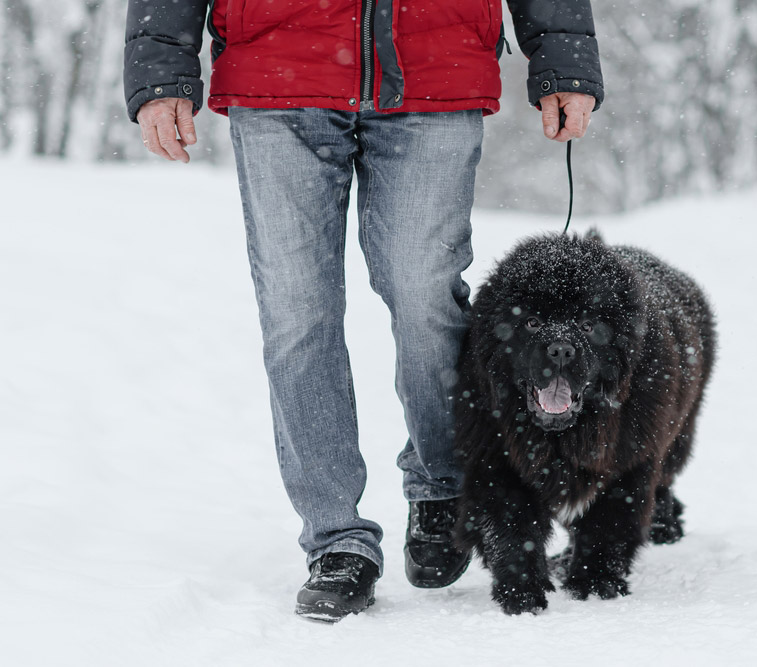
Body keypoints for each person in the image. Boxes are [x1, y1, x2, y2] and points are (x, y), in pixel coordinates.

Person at [124, 0, 603, 622]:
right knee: (297, 314)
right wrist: (162, 68)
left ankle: (443, 486)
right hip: (279, 68)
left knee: (425, 295)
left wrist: (562, 58)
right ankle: (336, 539)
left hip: (435, 64)